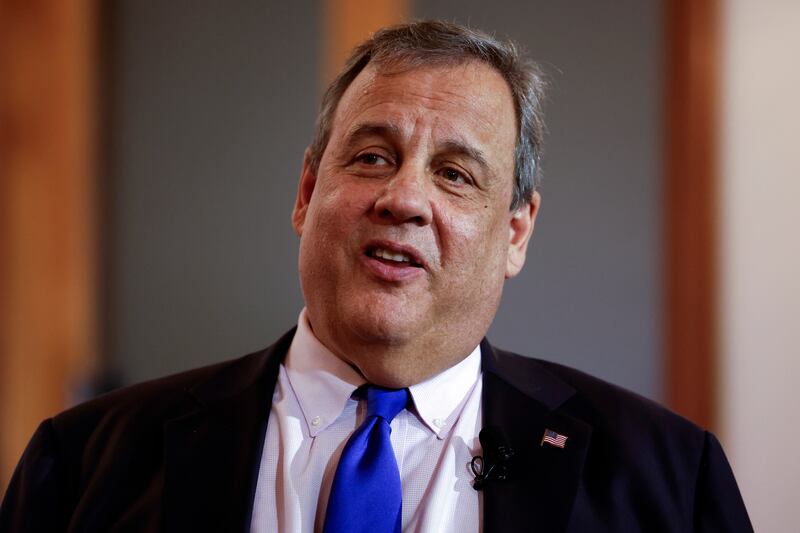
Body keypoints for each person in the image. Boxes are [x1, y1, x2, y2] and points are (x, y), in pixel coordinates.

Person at [1, 20, 751, 533]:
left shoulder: (669, 482)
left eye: (455, 174)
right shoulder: (83, 465)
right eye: (371, 157)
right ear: (305, 192)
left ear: (515, 231)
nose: (404, 199)